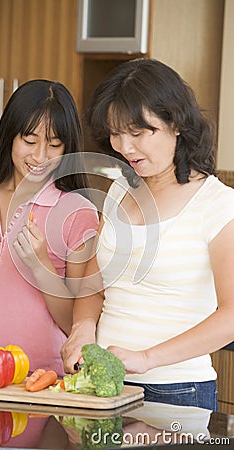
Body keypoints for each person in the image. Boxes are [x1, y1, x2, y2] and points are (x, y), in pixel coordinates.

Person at [61, 58, 234, 410]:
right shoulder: (119, 191)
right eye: (115, 133)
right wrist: (82, 328)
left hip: (177, 390)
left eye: (138, 133)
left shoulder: (218, 205)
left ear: (176, 124)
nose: (124, 147)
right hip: (103, 384)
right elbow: (96, 285)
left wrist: (147, 358)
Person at [0, 79, 99, 377]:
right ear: (9, 136)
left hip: (49, 383)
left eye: (54, 145)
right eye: (29, 141)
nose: (40, 157)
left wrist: (42, 268)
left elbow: (75, 325)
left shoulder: (77, 213)